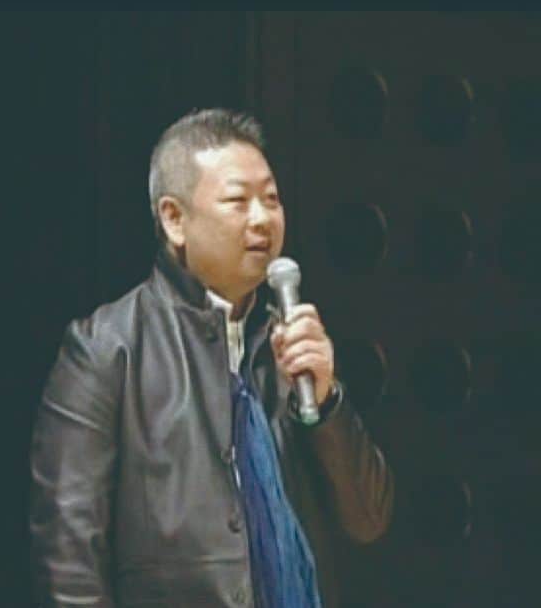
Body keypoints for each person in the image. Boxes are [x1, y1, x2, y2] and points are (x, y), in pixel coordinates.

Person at [29, 108, 394, 607]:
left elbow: (369, 519)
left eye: (271, 199)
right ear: (174, 219)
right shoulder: (108, 349)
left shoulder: (287, 346)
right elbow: (68, 565)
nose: (262, 218)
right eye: (237, 201)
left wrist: (326, 401)